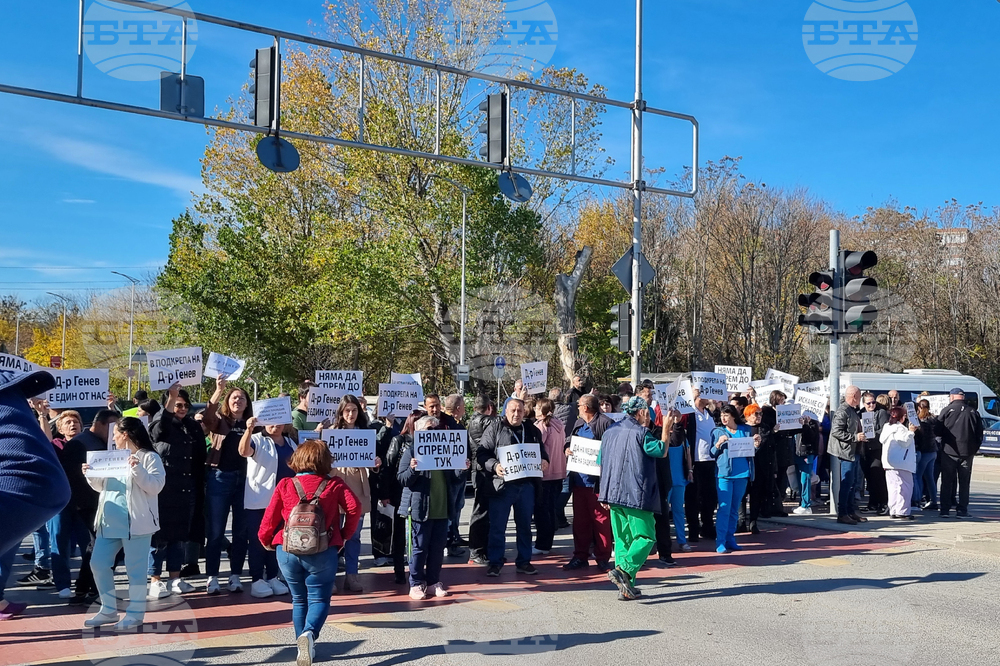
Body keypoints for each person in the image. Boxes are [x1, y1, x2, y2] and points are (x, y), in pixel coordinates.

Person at [258, 439, 361, 666]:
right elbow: (355, 508)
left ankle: (301, 645)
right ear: (325, 460)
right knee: (319, 597)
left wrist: (265, 539)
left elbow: (270, 517)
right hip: (323, 549)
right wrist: (343, 535)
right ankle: (309, 635)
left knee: (298, 599)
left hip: (288, 550)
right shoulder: (335, 485)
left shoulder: (286, 484)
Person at [82, 416, 165, 631]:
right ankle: (108, 610)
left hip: (136, 523)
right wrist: (91, 474)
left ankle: (135, 614)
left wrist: (137, 469)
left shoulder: (149, 457)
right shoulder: (113, 457)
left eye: (116, 433)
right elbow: (101, 487)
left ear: (125, 434)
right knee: (98, 563)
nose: (114, 437)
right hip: (109, 521)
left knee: (135, 570)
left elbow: (155, 487)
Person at [597, 396, 670, 600]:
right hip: (635, 494)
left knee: (623, 541)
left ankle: (626, 587)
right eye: (647, 413)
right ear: (640, 413)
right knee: (646, 537)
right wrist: (666, 428)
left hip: (613, 493)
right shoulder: (642, 433)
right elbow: (662, 451)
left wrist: (604, 492)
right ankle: (625, 571)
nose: (649, 417)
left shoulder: (609, 432)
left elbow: (601, 463)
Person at [397, 415, 471, 600]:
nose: (433, 433)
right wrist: (413, 469)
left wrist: (462, 469)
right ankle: (415, 583)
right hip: (420, 508)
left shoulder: (445, 449)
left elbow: (454, 477)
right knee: (419, 547)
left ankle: (432, 582)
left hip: (442, 507)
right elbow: (402, 478)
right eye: (429, 430)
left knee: (438, 548)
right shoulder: (412, 450)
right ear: (419, 431)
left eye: (436, 429)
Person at [477, 398, 549, 577]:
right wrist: (494, 466)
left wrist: (545, 460)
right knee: (498, 527)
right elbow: (481, 453)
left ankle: (524, 562)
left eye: (520, 411)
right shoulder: (495, 428)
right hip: (502, 486)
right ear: (505, 411)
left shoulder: (531, 429)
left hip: (526, 486)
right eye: (513, 410)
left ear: (525, 412)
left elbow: (541, 450)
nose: (516, 414)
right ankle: (495, 562)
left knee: (524, 526)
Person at [147, 385, 201, 599]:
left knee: (179, 537)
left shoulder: (189, 426)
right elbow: (163, 426)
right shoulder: (159, 424)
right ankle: (155, 580)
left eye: (186, 405)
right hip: (163, 490)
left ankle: (175, 578)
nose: (183, 408)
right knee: (159, 537)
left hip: (184, 489)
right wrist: (171, 397)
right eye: (178, 404)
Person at [202, 377, 254, 595]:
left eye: (242, 398)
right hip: (219, 477)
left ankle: (235, 576)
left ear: (247, 403)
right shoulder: (220, 421)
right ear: (228, 401)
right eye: (234, 397)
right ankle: (212, 577)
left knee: (241, 532)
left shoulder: (254, 423)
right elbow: (206, 417)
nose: (238, 401)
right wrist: (218, 390)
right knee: (215, 532)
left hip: (246, 481)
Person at [239, 412, 295, 598]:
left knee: (276, 540)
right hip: (260, 500)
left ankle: (272, 576)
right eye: (271, 422)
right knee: (257, 540)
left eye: (279, 422)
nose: (275, 426)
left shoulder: (291, 444)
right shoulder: (257, 440)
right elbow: (243, 451)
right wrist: (248, 430)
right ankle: (257, 579)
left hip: (284, 502)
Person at [329, 394, 380, 593]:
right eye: (347, 410)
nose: (351, 414)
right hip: (336, 485)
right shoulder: (331, 432)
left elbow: (371, 461)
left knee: (354, 535)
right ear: (341, 412)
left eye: (354, 410)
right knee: (333, 535)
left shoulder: (365, 433)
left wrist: (375, 464)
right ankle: (330, 577)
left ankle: (352, 576)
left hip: (358, 486)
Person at [563, 394, 615, 571]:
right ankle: (580, 556)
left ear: (585, 407)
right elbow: (569, 441)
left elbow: (612, 450)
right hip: (578, 482)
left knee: (601, 521)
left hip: (596, 484)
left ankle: (602, 558)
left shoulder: (605, 423)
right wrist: (567, 449)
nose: (577, 408)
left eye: (578, 405)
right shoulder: (578, 424)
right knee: (580, 522)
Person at [711, 406, 759, 554]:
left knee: (734, 509)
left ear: (733, 416)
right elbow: (712, 453)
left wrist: (756, 445)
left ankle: (730, 538)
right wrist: (718, 444)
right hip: (724, 474)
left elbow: (749, 451)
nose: (723, 418)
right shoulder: (717, 431)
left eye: (726, 415)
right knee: (724, 508)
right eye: (722, 416)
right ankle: (720, 541)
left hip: (742, 473)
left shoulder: (744, 429)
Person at [384, 410, 425, 583]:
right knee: (400, 533)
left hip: (419, 493)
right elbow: (388, 467)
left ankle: (416, 570)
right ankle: (399, 571)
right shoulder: (399, 441)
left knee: (416, 535)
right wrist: (385, 493)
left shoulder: (428, 443)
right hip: (399, 492)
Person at [937, 388, 983, 518]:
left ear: (952, 397)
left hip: (949, 452)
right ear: (963, 397)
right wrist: (974, 449)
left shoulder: (946, 410)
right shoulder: (973, 411)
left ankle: (945, 510)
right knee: (964, 483)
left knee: (947, 481)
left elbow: (937, 430)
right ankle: (962, 509)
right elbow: (979, 433)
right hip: (967, 453)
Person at [532, 398, 566, 556]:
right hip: (558, 473)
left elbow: (536, 449)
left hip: (545, 475)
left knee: (542, 511)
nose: (534, 409)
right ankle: (548, 541)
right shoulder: (559, 425)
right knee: (551, 509)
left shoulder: (541, 427)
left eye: (537, 407)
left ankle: (542, 544)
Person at [655, 404, 689, 561]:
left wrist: (689, 471)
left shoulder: (679, 435)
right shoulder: (656, 435)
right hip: (664, 479)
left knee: (679, 511)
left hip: (679, 479)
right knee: (660, 513)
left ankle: (682, 541)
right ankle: (659, 543)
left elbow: (684, 450)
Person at [829, 386, 867, 525]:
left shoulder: (852, 410)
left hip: (854, 451)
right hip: (846, 452)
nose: (860, 399)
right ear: (854, 396)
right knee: (847, 484)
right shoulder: (843, 411)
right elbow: (836, 431)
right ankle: (842, 513)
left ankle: (851, 512)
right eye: (860, 396)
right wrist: (855, 437)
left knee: (852, 483)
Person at [466, 396, 497, 566]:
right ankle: (476, 551)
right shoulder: (485, 421)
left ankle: (482, 550)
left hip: (480, 471)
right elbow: (501, 424)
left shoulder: (473, 421)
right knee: (481, 512)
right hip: (482, 472)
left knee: (484, 512)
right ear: (489, 407)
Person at [685, 389, 718, 541]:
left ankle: (707, 526)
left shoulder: (709, 414)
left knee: (709, 497)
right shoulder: (690, 413)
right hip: (695, 461)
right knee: (693, 498)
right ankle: (693, 530)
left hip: (710, 460)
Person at [442, 394, 469, 557]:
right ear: (458, 408)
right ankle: (449, 541)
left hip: (459, 472)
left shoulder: (454, 424)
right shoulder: (449, 425)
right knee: (452, 509)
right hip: (452, 474)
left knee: (457, 508)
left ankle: (454, 536)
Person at [881, 406, 917, 520]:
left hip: (889, 463)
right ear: (902, 417)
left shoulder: (887, 427)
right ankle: (903, 511)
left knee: (893, 487)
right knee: (905, 487)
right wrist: (911, 432)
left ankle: (894, 510)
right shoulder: (900, 429)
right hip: (902, 462)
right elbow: (904, 442)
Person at [861, 392, 890, 515]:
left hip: (877, 448)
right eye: (869, 403)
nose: (872, 405)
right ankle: (872, 503)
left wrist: (871, 435)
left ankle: (883, 503)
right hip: (864, 449)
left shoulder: (881, 413)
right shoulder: (861, 413)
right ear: (864, 403)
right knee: (869, 478)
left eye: (873, 402)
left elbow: (884, 429)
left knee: (878, 476)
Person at [912, 399, 939, 511]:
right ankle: (933, 500)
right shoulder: (934, 419)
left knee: (918, 476)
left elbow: (921, 438)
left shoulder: (920, 421)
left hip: (924, 452)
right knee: (929, 478)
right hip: (933, 451)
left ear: (919, 407)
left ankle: (917, 499)